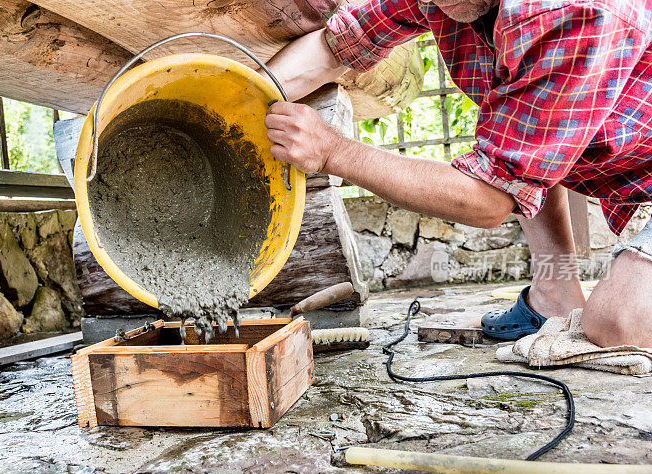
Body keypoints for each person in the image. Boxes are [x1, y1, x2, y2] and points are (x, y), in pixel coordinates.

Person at [263, 0, 652, 347]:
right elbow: (335, 46)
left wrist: (332, 151)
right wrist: (245, 95)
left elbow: (488, 199)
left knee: (614, 325)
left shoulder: (569, 13)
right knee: (514, 139)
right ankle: (555, 291)